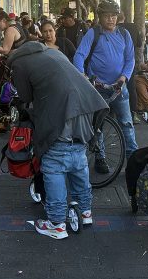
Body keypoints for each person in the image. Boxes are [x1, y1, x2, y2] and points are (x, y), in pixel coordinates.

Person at [6, 42, 108, 239]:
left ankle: (57, 223)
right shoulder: (53, 53)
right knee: (78, 165)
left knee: (54, 169)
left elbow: (26, 96)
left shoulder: (19, 64)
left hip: (59, 119)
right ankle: (86, 212)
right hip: (84, 115)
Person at [73, 0, 137, 171]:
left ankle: (133, 158)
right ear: (100, 17)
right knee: (98, 126)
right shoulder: (93, 34)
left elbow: (130, 59)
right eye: (107, 16)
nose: (111, 19)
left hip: (119, 87)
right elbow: (79, 55)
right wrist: (82, 75)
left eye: (114, 16)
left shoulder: (124, 34)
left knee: (127, 124)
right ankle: (100, 157)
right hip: (98, 88)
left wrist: (124, 77)